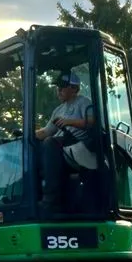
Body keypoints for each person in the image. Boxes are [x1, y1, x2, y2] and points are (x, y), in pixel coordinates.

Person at [36, 71, 97, 213]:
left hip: (78, 145)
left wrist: (70, 122)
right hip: (61, 146)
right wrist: (26, 134)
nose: (59, 90)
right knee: (34, 147)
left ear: (74, 88)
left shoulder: (83, 102)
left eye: (62, 87)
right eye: (58, 87)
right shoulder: (58, 110)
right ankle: (35, 194)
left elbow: (92, 121)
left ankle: (50, 200)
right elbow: (46, 132)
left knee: (50, 143)